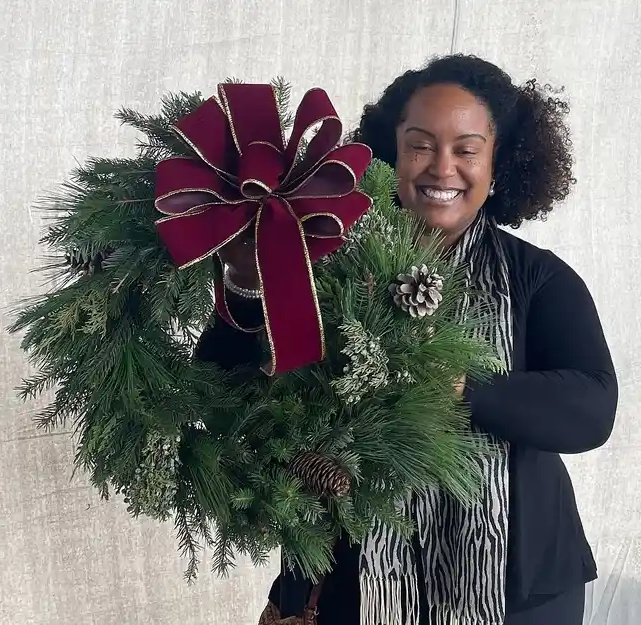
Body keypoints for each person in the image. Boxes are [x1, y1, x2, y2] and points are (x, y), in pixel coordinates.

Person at [194, 54, 617, 625]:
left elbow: (591, 407)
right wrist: (245, 281)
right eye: (421, 145)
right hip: (348, 582)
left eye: (467, 150)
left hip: (520, 592)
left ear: (500, 163)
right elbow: (221, 385)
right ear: (389, 153)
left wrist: (464, 390)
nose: (443, 168)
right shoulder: (325, 261)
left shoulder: (538, 279)